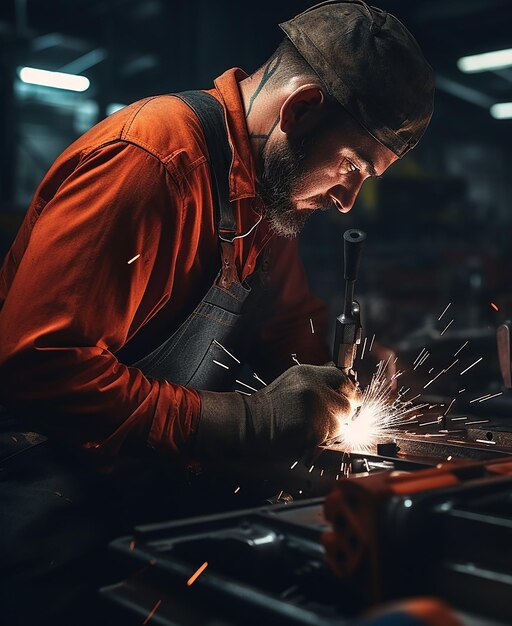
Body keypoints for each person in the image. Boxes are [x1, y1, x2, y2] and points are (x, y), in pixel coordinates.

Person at [0, 1, 433, 620]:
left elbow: (286, 330)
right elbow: (35, 364)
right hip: (44, 526)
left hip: (133, 513)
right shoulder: (150, 164)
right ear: (302, 110)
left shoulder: (266, 200)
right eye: (352, 167)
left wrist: (340, 376)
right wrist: (241, 425)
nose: (346, 201)